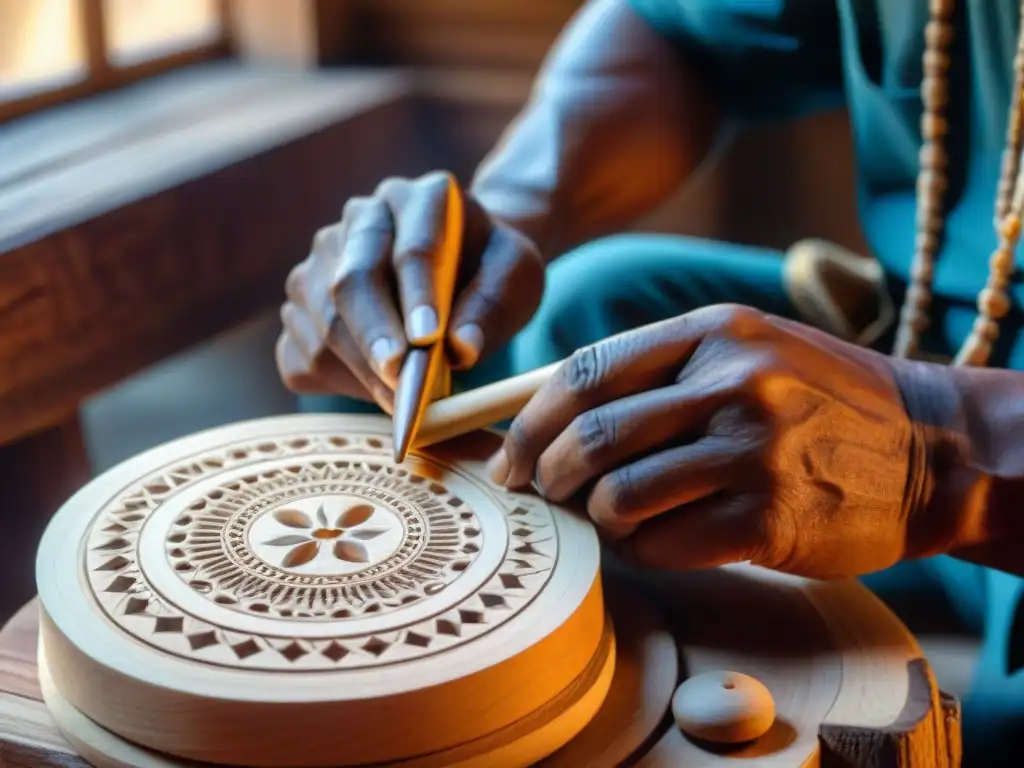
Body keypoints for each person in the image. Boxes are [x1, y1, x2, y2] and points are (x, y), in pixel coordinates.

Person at [275, 0, 1024, 762]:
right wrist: (506, 219)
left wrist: (938, 458)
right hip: (923, 333)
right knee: (592, 304)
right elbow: (678, 28)